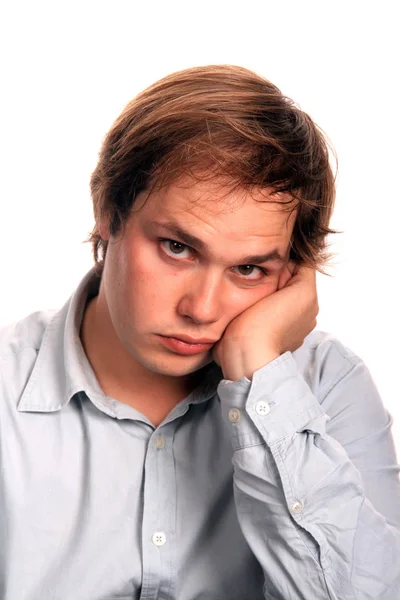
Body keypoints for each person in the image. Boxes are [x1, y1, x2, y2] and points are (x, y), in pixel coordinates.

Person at [1, 65, 399, 600]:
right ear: (108, 214)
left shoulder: (327, 387)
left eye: (249, 269)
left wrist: (259, 366)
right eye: (177, 248)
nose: (202, 309)